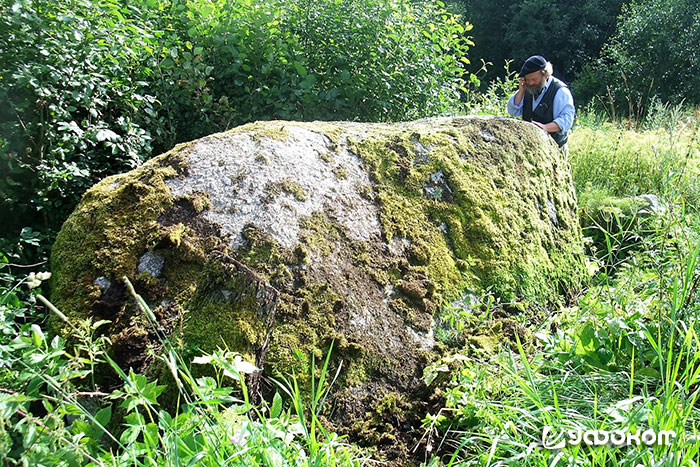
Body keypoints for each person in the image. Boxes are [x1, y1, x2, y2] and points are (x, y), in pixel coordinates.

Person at [507, 55, 574, 154]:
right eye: (527, 79)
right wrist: (521, 91)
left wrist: (545, 127)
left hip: (556, 148)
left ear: (545, 75)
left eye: (534, 79)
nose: (530, 83)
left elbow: (566, 120)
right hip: (531, 148)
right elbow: (513, 111)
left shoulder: (560, 91)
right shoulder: (528, 88)